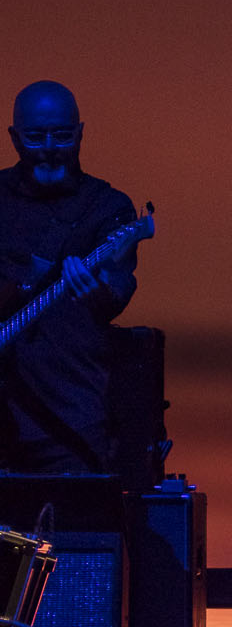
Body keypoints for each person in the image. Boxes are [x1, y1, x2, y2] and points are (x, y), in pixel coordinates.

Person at [0, 80, 139, 473]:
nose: (48, 148)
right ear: (14, 138)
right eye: (35, 137)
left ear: (79, 133)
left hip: (69, 412)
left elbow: (118, 288)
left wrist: (97, 292)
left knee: (78, 528)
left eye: (62, 136)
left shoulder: (107, 207)